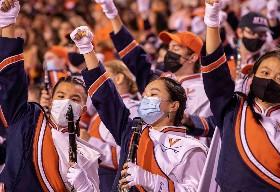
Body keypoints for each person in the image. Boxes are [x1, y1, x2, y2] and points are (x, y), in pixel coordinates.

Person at [71, 25, 207, 191]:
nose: (146, 99)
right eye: (146, 94)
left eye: (154, 94)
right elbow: (107, 98)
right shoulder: (133, 133)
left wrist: (151, 181)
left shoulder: (191, 149)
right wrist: (87, 49)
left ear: (173, 105)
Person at [0, 1, 101, 191]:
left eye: (75, 99)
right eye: (61, 95)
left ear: (84, 110)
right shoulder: (27, 119)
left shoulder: (87, 154)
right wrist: (7, 22)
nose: (66, 102)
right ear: (51, 100)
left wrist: (84, 186)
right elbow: (10, 81)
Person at [200, 0, 280, 191]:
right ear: (253, 75)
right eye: (264, 73)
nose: (270, 80)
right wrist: (212, 21)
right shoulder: (234, 108)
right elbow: (215, 74)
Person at [93, 0, 213, 119]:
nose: (169, 52)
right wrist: (113, 15)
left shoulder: (205, 89)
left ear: (192, 57)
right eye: (169, 48)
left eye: (176, 48)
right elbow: (135, 58)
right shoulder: (162, 80)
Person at [88, 59, 139, 192]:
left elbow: (126, 144)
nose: (99, 84)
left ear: (119, 78)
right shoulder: (98, 112)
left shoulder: (134, 108)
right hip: (100, 172)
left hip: (114, 174)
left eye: (104, 77)